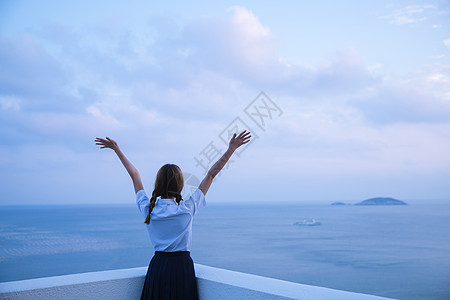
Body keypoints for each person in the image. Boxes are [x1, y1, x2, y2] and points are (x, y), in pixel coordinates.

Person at [94, 130, 251, 300]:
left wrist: (116, 149)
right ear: (180, 185)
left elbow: (134, 175)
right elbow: (211, 174)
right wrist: (231, 149)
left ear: (157, 183)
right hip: (182, 268)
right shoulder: (187, 209)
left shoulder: (149, 209)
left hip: (158, 267)